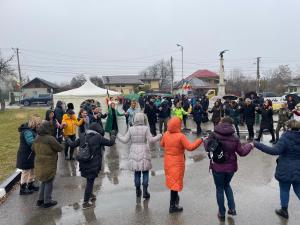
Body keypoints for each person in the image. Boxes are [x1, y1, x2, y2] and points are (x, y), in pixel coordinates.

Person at [204, 117, 254, 221]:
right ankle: (232, 209)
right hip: (230, 168)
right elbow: (242, 152)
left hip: (217, 166)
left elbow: (207, 148)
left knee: (219, 188)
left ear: (221, 122)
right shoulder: (235, 136)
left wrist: (205, 141)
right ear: (231, 124)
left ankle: (221, 213)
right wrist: (250, 145)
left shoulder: (213, 134)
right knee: (227, 185)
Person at [254, 119, 300, 219]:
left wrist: (257, 144)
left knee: (284, 189)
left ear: (288, 127)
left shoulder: (285, 137)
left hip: (285, 168)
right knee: (298, 188)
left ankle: (284, 211)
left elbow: (275, 151)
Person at [67, 122, 116, 209]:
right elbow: (111, 143)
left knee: (89, 180)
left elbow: (72, 144)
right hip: (93, 164)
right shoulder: (98, 137)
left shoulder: (82, 135)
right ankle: (85, 202)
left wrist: (67, 138)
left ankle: (91, 194)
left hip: (83, 163)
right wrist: (112, 134)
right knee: (90, 182)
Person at [160, 117, 202, 213]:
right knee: (175, 184)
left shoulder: (166, 134)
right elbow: (190, 147)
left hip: (168, 161)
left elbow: (162, 144)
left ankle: (174, 200)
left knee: (172, 181)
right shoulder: (180, 136)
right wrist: (200, 140)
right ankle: (172, 206)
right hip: (177, 162)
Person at [117, 113, 162, 199]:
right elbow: (151, 140)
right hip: (144, 150)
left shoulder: (131, 129)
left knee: (137, 172)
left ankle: (138, 189)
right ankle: (145, 191)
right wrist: (159, 136)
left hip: (134, 150)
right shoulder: (146, 128)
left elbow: (125, 140)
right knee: (145, 172)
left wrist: (118, 135)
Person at [33, 121, 63, 208]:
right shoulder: (50, 138)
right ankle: (47, 201)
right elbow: (60, 148)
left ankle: (40, 199)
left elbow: (32, 148)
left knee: (43, 181)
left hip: (39, 162)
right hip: (48, 163)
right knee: (49, 181)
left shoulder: (37, 137)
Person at [16, 114, 42, 195]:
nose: (39, 125)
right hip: (26, 155)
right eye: (38, 123)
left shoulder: (32, 130)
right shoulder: (27, 131)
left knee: (32, 169)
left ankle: (31, 184)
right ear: (34, 123)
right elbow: (30, 141)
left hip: (31, 154)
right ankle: (23, 188)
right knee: (26, 171)